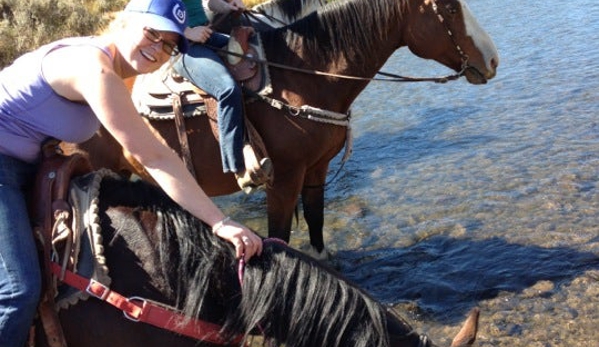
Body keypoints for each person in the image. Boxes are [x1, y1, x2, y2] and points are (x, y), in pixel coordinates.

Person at [0, 0, 262, 345]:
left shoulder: (109, 64)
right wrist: (220, 222)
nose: (159, 49)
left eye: (170, 44)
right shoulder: (93, 68)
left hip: (31, 163)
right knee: (19, 292)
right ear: (125, 22)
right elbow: (154, 156)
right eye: (153, 33)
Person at [173, 0, 272, 193]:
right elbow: (146, 17)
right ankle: (237, 167)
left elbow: (208, 2)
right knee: (227, 89)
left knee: (259, 50)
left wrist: (229, 7)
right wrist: (186, 32)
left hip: (207, 35)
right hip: (182, 47)